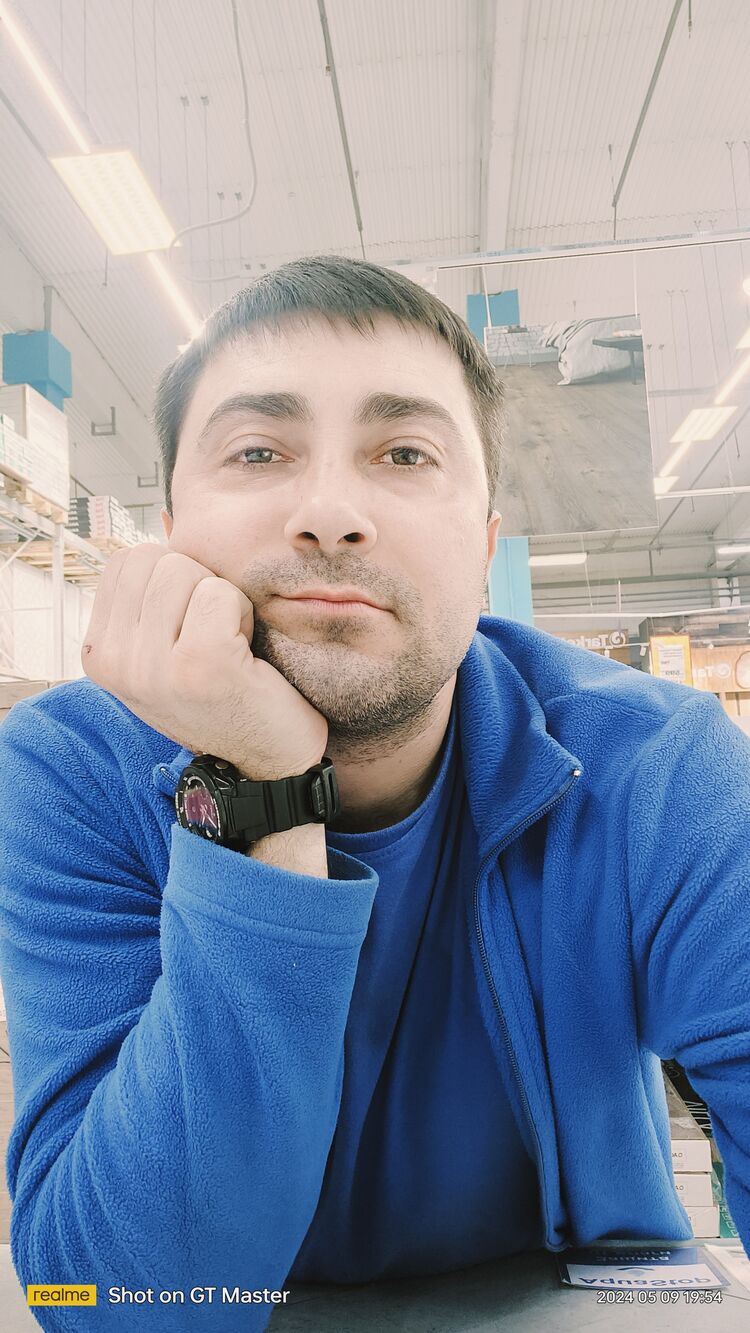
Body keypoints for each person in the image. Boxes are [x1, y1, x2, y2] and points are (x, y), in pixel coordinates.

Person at [0, 255, 748, 1331]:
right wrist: (261, 787)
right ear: (168, 534)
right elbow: (113, 1302)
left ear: (486, 547)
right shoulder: (68, 772)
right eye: (259, 451)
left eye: (405, 453)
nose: (330, 514)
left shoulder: (659, 769)